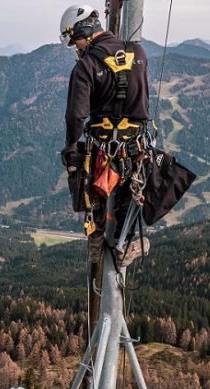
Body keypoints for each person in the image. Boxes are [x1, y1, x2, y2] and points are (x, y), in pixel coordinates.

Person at [59, 4, 153, 329]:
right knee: (128, 208)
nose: (76, 49)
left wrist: (72, 150)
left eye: (75, 42)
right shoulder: (138, 52)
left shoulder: (86, 67)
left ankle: (97, 237)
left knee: (92, 199)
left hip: (103, 153)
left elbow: (75, 116)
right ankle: (129, 241)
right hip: (136, 151)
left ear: (82, 33)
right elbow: (141, 102)